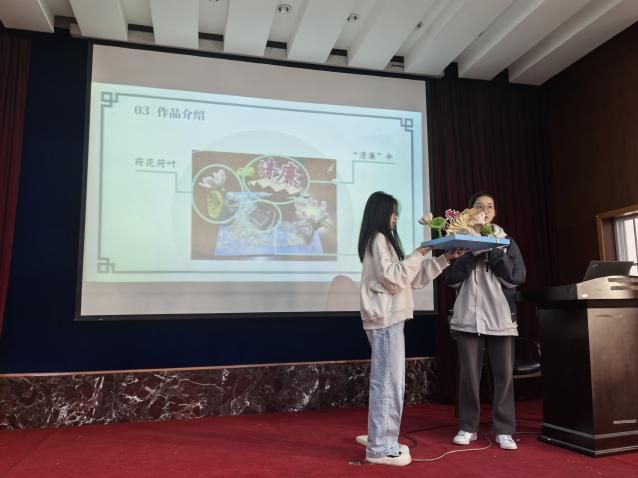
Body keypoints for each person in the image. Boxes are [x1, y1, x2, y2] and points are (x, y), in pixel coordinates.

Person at [357, 191, 466, 466]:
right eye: (392, 212)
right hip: (385, 320)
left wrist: (444, 259)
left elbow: (410, 279)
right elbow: (395, 278)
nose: (395, 217)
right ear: (381, 213)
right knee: (388, 383)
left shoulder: (382, 241)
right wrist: (421, 252)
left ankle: (382, 439)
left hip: (389, 319)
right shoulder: (378, 239)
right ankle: (380, 447)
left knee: (390, 382)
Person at [445, 192, 526, 450]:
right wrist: (472, 254)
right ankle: (468, 427)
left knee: (504, 376)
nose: (485, 210)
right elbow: (451, 280)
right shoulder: (459, 241)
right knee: (469, 376)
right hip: (468, 317)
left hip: (500, 317)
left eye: (490, 206)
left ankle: (504, 430)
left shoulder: (506, 242)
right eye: (479, 206)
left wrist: (494, 253)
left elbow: (516, 278)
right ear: (469, 212)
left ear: (495, 212)